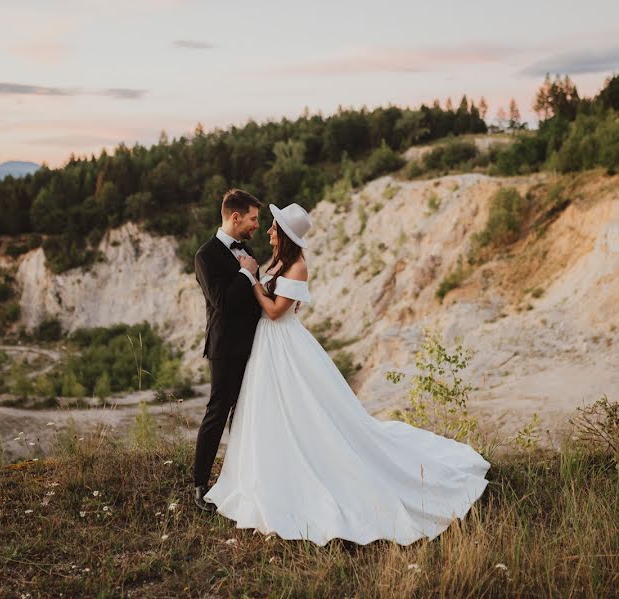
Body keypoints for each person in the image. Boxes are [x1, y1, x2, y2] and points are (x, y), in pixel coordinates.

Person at [203, 201, 491, 545]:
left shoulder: (296, 266)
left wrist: (250, 278)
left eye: (274, 226)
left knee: (304, 411)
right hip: (267, 345)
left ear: (285, 234)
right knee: (269, 410)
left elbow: (276, 312)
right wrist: (254, 276)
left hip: (282, 340)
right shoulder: (278, 261)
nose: (267, 230)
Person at [191, 188, 263, 512]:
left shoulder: (246, 250)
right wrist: (247, 272)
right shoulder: (205, 256)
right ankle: (199, 484)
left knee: (246, 413)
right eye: (253, 219)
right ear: (235, 217)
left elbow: (252, 299)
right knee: (217, 413)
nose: (256, 226)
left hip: (255, 347)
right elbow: (222, 303)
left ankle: (239, 477)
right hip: (225, 349)